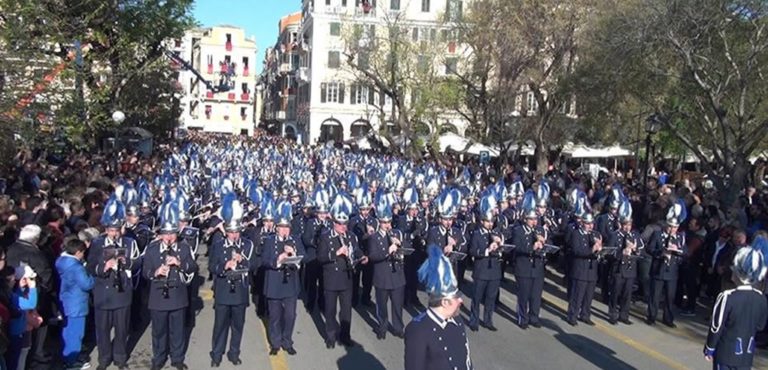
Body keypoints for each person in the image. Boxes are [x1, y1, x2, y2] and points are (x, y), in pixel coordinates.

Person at [143, 202, 198, 370]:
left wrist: (180, 263)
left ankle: (177, 358)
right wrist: (156, 272)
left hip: (177, 296)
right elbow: (145, 272)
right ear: (160, 235)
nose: (169, 237)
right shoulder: (152, 250)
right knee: (159, 331)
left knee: (177, 331)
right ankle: (158, 358)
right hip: (158, 297)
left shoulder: (183, 248)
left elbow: (193, 267)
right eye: (166, 234)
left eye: (172, 234)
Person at [87, 194, 140, 370]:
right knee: (102, 330)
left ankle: (120, 357)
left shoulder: (129, 242)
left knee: (121, 329)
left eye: (116, 230)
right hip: (103, 293)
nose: (114, 233)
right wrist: (104, 267)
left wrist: (127, 263)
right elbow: (91, 267)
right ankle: (104, 358)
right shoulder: (97, 243)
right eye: (111, 230)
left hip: (123, 292)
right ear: (106, 229)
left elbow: (137, 263)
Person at [404, 244, 473, 370]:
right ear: (445, 302)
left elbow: (466, 361)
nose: (461, 300)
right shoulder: (418, 330)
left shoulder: (457, 321)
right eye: (456, 297)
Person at [704, 237, 768, 369]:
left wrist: (709, 347)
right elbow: (760, 326)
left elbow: (716, 326)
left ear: (738, 273)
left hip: (725, 353)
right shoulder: (761, 298)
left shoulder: (727, 297)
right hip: (746, 354)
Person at [209, 193, 254, 367]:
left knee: (238, 326)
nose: (234, 235)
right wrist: (224, 266)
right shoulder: (218, 245)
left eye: (236, 232)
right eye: (231, 232)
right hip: (223, 292)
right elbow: (212, 266)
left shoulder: (247, 245)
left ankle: (234, 352)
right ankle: (216, 354)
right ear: (226, 231)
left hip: (240, 293)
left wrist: (243, 260)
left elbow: (254, 264)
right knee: (220, 326)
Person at [317, 194, 367, 348]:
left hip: (347, 278)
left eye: (345, 224)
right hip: (331, 278)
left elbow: (357, 250)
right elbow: (320, 257)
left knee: (346, 311)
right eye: (340, 224)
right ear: (334, 224)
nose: (343, 227)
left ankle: (345, 336)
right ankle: (331, 336)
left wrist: (362, 256)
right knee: (330, 310)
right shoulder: (326, 237)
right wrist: (336, 253)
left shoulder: (351, 236)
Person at [262, 201, 304, 355]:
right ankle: (275, 342)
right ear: (277, 228)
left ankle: (287, 341)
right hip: (274, 283)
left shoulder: (295, 240)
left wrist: (293, 254)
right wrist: (278, 259)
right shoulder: (269, 240)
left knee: (290, 315)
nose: (285, 230)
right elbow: (264, 260)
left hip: (290, 284)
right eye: (282, 227)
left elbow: (303, 257)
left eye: (287, 227)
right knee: (275, 316)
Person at [367, 201, 406, 339]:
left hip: (397, 276)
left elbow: (407, 250)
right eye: (384, 222)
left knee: (397, 305)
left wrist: (400, 245)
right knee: (382, 305)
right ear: (380, 222)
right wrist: (387, 252)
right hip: (382, 277)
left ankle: (398, 327)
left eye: (389, 221)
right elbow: (372, 256)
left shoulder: (397, 233)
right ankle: (382, 327)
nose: (387, 225)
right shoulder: (374, 238)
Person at [646, 200, 688, 327]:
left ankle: (668, 318)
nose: (672, 230)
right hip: (659, 269)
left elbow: (685, 251)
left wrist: (678, 251)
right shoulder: (658, 235)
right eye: (670, 227)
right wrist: (661, 253)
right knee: (655, 295)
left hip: (672, 271)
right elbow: (650, 249)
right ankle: (651, 316)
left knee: (670, 297)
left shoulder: (679, 238)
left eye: (675, 227)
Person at [56, 239, 94, 370]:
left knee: (68, 332)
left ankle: (66, 356)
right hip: (77, 304)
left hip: (66, 300)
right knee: (76, 333)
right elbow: (87, 284)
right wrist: (92, 276)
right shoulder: (77, 267)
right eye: (82, 253)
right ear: (78, 252)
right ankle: (72, 362)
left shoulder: (60, 261)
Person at [468, 194, 503, 332]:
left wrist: (500, 247)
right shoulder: (477, 234)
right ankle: (474, 321)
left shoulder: (495, 234)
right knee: (476, 298)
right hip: (481, 271)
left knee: (490, 298)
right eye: (487, 222)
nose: (490, 224)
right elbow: (473, 251)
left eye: (491, 222)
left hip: (494, 271)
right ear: (482, 221)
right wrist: (487, 250)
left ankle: (488, 320)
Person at [513, 191, 547, 329]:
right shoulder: (519, 230)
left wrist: (543, 244)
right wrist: (532, 247)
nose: (534, 222)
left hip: (537, 268)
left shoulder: (540, 230)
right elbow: (518, 247)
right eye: (531, 219)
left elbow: (547, 245)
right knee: (524, 295)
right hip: (524, 267)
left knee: (536, 295)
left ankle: (534, 316)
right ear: (525, 219)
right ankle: (523, 318)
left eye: (535, 219)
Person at [607, 197, 643, 325]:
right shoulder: (615, 236)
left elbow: (641, 250)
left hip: (630, 269)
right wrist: (621, 252)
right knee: (615, 293)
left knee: (627, 295)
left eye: (629, 224)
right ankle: (612, 314)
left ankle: (624, 315)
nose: (627, 227)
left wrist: (635, 250)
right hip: (618, 269)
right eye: (625, 225)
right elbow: (610, 254)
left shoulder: (635, 235)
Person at [566, 212, 601, 326]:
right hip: (580, 269)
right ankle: (572, 315)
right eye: (587, 223)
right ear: (582, 223)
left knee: (589, 295)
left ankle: (585, 314)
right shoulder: (576, 234)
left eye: (592, 223)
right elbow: (577, 251)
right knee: (577, 294)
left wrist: (600, 250)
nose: (590, 226)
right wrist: (591, 250)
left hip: (591, 269)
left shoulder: (595, 234)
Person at [6, 265, 38, 370]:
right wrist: (33, 288)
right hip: (16, 333)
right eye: (12, 279)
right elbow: (31, 303)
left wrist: (21, 287)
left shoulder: (12, 293)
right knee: (14, 361)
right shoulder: (12, 296)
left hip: (15, 331)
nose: (13, 281)